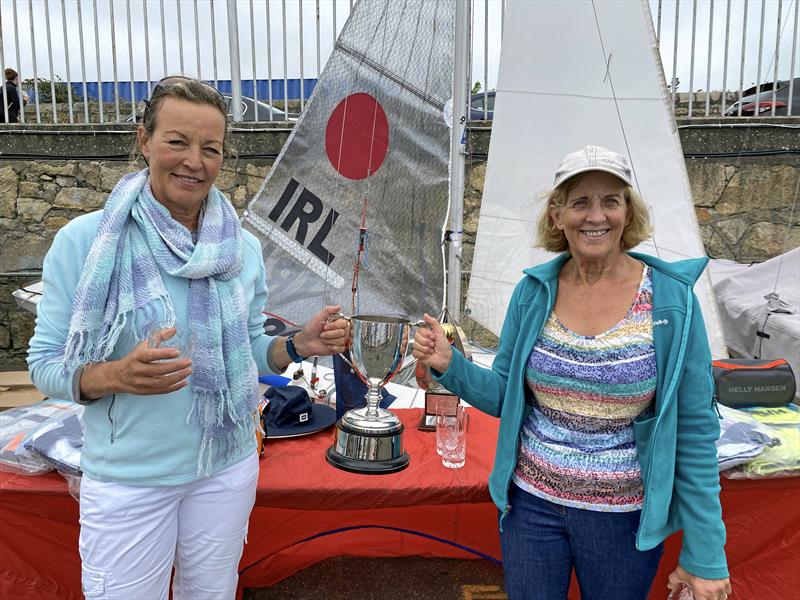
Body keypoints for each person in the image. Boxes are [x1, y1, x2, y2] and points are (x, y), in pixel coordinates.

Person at [27, 76, 348, 600]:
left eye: (210, 148)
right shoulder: (86, 242)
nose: (193, 161)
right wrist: (115, 375)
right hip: (130, 478)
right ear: (144, 140)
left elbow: (245, 349)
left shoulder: (239, 248)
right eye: (176, 141)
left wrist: (297, 345)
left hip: (227, 463)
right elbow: (44, 365)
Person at [414, 145, 732, 600]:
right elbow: (506, 395)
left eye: (610, 200)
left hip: (623, 518)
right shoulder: (534, 290)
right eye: (580, 201)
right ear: (558, 215)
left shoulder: (671, 301)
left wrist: (706, 556)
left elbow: (696, 433)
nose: (595, 215)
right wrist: (450, 365)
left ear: (628, 212)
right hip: (531, 508)